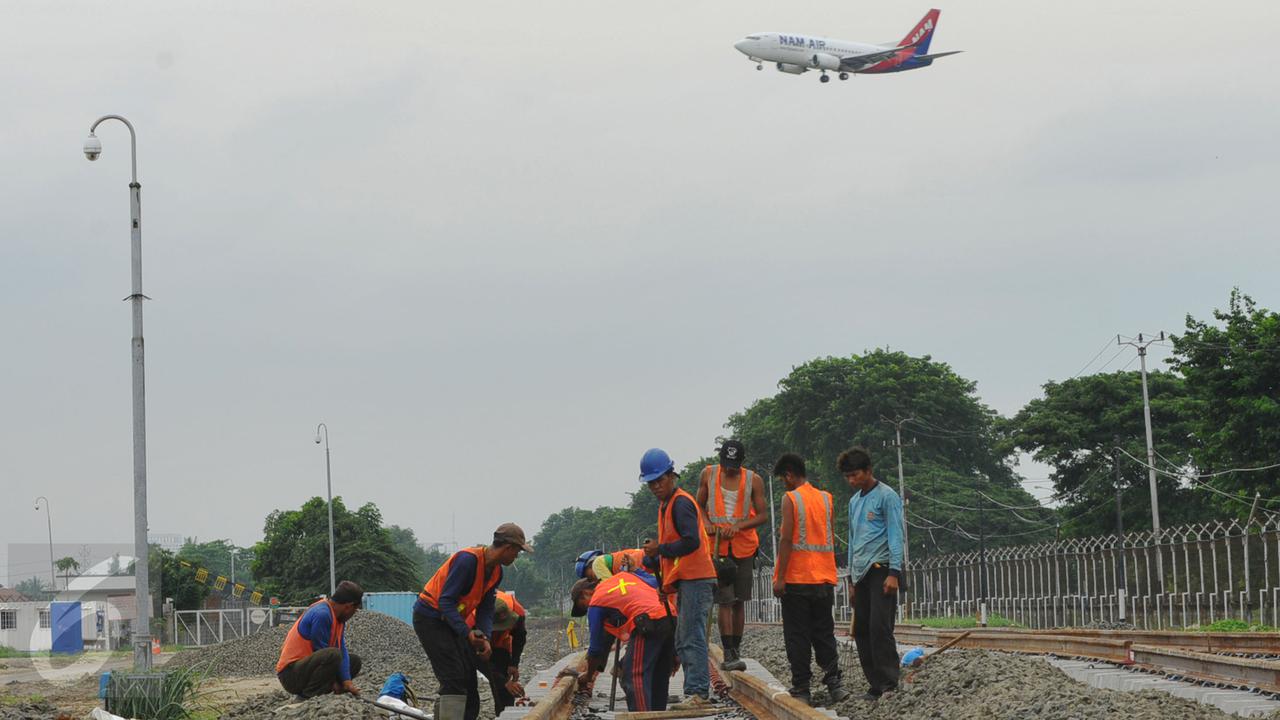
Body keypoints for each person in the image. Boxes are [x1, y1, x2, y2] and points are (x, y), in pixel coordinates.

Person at [413, 523, 533, 720]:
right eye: (517, 552)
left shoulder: (496, 572)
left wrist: (483, 635)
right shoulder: (467, 561)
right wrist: (467, 632)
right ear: (508, 548)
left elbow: (486, 608)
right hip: (431, 618)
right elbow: (445, 601)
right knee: (453, 677)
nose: (516, 557)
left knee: (468, 677)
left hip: (451, 621)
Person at [639, 448, 718, 709]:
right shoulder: (666, 505)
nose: (655, 486)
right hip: (688, 579)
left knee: (690, 637)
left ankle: (698, 693)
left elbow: (691, 542)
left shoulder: (681, 503)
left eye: (659, 480)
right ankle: (694, 692)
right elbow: (673, 549)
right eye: (651, 482)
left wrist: (659, 548)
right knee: (684, 637)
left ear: (672, 475)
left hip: (697, 578)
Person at [769, 454, 846, 706]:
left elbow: (786, 540)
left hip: (797, 578)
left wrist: (779, 577)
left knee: (798, 635)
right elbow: (830, 535)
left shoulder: (791, 498)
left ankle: (801, 688)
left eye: (783, 479)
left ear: (790, 474)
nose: (784, 484)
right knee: (824, 632)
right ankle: (834, 683)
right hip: (824, 577)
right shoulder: (826, 498)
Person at [695, 439, 767, 672]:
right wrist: (706, 523)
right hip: (718, 549)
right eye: (726, 463)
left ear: (741, 463)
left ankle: (736, 648)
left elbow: (762, 515)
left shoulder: (753, 480)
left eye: (733, 465)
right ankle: (728, 652)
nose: (729, 469)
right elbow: (698, 506)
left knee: (739, 601)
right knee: (725, 600)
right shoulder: (708, 474)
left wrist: (739, 527)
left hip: (744, 547)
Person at [841, 446, 904, 702]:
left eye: (855, 475)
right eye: (848, 477)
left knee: (880, 627)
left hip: (882, 570)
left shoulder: (887, 496)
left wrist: (895, 572)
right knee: (863, 630)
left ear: (868, 471)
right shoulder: (854, 501)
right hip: (861, 575)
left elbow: (896, 535)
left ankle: (890, 683)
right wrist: (851, 580)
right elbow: (852, 541)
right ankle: (875, 684)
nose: (851, 481)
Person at [571, 569, 675, 712]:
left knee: (633, 674)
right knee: (658, 673)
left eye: (583, 605)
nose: (587, 608)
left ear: (585, 593)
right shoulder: (627, 576)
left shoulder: (596, 602)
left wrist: (588, 676)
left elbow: (595, 648)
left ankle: (642, 716)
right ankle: (658, 713)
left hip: (647, 622)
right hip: (671, 615)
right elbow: (657, 583)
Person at [276, 580, 364, 700]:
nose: (354, 614)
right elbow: (322, 650)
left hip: (308, 669)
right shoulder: (322, 614)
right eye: (355, 610)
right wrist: (333, 682)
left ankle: (329, 691)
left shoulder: (339, 620)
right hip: (290, 675)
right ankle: (305, 697)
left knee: (354, 661)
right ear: (348, 606)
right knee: (333, 655)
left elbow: (342, 649)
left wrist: (347, 681)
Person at [468, 591, 527, 715]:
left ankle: (505, 715)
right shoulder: (471, 621)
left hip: (501, 645)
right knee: (467, 688)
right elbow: (478, 659)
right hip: (472, 644)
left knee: (505, 689)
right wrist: (503, 681)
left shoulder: (518, 611)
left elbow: (519, 637)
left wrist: (514, 664)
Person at [576, 548, 647, 581]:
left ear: (590, 564)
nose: (595, 580)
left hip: (647, 562)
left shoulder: (597, 563)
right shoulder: (616, 563)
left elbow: (610, 587)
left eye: (591, 576)